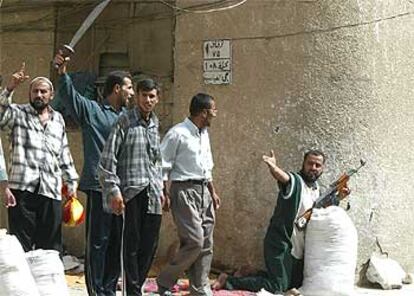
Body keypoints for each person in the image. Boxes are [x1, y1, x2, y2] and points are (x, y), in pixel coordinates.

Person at [53, 51, 135, 296]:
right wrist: (62, 72)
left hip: (123, 190)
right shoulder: (93, 111)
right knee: (98, 242)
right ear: (117, 88)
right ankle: (96, 291)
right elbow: (70, 97)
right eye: (129, 88)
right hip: (100, 187)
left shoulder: (129, 118)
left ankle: (109, 288)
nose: (132, 93)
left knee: (117, 242)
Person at [212, 150, 350, 295]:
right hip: (281, 244)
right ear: (303, 164)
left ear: (322, 168)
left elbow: (320, 213)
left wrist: (339, 196)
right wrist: (273, 167)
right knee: (277, 287)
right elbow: (284, 178)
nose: (313, 168)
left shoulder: (316, 190)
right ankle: (228, 280)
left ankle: (251, 273)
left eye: (318, 165)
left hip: (298, 249)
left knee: (293, 284)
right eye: (310, 163)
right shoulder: (296, 182)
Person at [0, 63, 78, 253]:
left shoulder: (57, 119)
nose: (39, 95)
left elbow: (64, 152)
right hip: (22, 188)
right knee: (22, 245)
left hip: (50, 189)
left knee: (50, 246)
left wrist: (71, 182)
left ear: (51, 96)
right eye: (35, 91)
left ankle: (46, 282)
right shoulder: (18, 113)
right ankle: (24, 282)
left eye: (43, 92)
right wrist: (10, 88)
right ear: (29, 94)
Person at [98, 78, 163, 296]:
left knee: (149, 246)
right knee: (130, 247)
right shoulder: (125, 120)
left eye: (152, 96)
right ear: (137, 95)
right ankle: (131, 292)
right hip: (131, 193)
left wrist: (162, 190)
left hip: (153, 193)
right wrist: (114, 191)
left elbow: (157, 161)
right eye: (144, 95)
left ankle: (136, 288)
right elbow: (107, 161)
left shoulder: (154, 123)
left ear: (157, 99)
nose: (147, 100)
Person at [157, 93, 220, 296]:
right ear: (204, 112)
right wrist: (163, 192)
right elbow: (162, 164)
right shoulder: (178, 133)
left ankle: (200, 288)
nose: (215, 114)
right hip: (184, 190)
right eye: (213, 110)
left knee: (206, 243)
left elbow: (206, 165)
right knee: (194, 240)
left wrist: (212, 191)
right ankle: (165, 281)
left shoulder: (203, 134)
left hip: (204, 191)